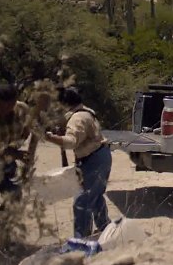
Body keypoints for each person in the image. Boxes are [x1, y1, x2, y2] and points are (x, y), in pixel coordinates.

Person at [44, 87, 112, 238]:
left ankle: (82, 238)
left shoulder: (77, 118)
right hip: (101, 156)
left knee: (82, 201)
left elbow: (71, 142)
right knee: (95, 197)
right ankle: (105, 229)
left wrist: (50, 138)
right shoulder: (85, 112)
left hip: (93, 159)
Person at [0, 84, 45, 213]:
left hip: (7, 162)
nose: (4, 110)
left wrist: (29, 155)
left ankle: (0, 229)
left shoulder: (22, 109)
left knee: (14, 196)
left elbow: (33, 130)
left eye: (9, 106)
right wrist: (14, 153)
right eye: (0, 106)